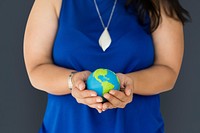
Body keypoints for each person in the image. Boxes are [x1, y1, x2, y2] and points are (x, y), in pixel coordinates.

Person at [23, 0, 190, 133]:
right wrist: (72, 81)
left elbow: (169, 70)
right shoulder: (52, 1)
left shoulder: (159, 3)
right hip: (65, 127)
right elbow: (36, 68)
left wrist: (130, 84)